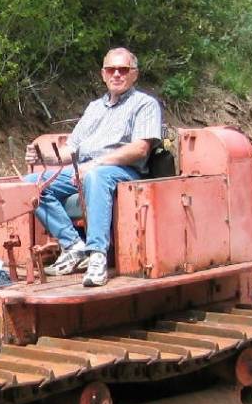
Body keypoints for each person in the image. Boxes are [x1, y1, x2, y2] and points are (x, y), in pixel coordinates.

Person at [24, 48, 162, 287]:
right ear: (103, 74)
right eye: (111, 69)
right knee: (31, 184)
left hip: (124, 170)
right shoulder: (94, 108)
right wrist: (43, 156)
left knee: (96, 176)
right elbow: (72, 148)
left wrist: (95, 164)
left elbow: (140, 149)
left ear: (134, 75)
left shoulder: (145, 104)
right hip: (86, 168)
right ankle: (73, 245)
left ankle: (97, 254)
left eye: (123, 70)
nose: (117, 74)